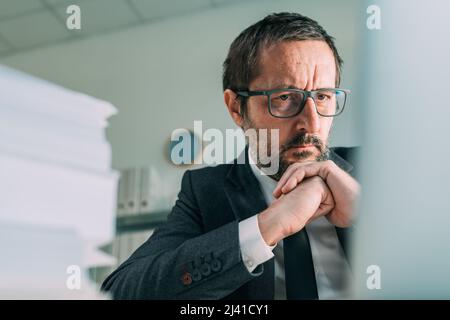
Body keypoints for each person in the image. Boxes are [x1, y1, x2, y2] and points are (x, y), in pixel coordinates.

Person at [102, 12, 360, 300]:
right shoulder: (205, 191)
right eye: (285, 98)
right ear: (237, 107)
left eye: (323, 96)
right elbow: (120, 291)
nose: (311, 124)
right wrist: (266, 226)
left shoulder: (375, 167)